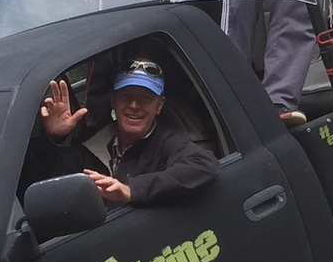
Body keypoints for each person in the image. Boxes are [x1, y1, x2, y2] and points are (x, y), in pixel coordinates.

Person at [33, 60, 218, 206]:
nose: (134, 105)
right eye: (126, 96)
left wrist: (131, 191)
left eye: (146, 98)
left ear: (159, 106)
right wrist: (55, 139)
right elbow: (45, 190)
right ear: (113, 101)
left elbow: (205, 165)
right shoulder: (90, 145)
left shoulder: (167, 142)